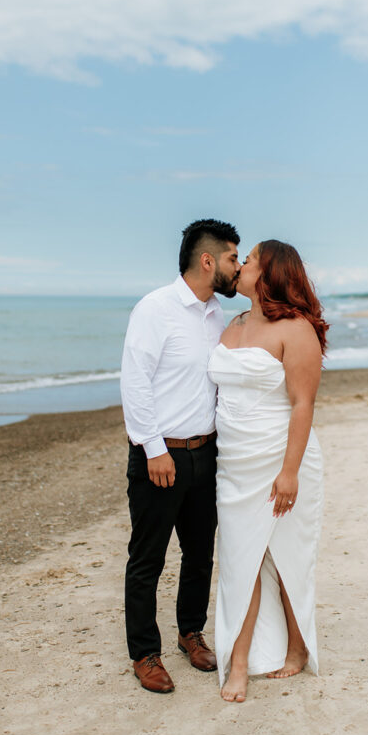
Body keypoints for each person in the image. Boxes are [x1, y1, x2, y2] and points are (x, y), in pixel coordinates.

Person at [121, 218, 240, 693]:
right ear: (208, 260)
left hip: (205, 454)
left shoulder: (216, 315)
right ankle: (145, 653)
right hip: (160, 456)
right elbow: (135, 382)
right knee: (147, 558)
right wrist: (153, 449)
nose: (239, 266)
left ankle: (190, 632)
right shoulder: (156, 308)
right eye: (233, 257)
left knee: (200, 554)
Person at [208, 239, 328, 702]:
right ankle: (245, 659)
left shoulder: (296, 328)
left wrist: (290, 472)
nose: (239, 266)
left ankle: (285, 652)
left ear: (270, 274)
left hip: (282, 457)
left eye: (249, 260)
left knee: (287, 556)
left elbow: (303, 404)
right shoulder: (233, 323)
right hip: (234, 464)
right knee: (244, 560)